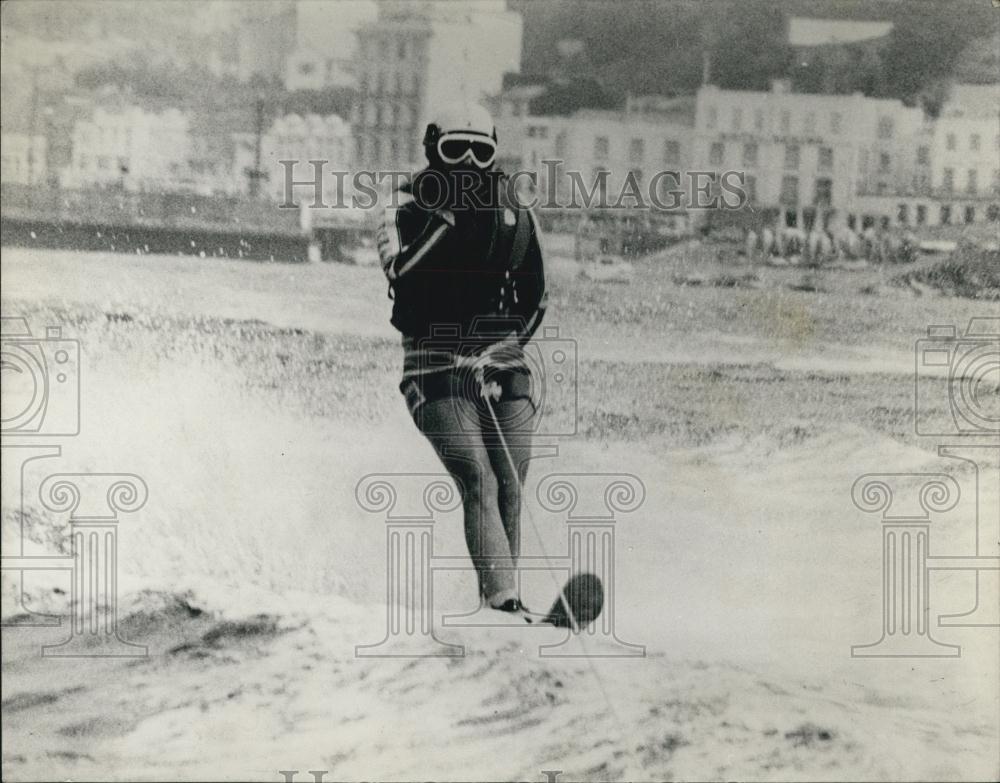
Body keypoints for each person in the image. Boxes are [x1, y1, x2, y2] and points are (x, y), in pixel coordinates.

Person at [376, 103, 547, 621]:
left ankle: (504, 603)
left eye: (481, 151)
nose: (470, 164)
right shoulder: (402, 208)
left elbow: (535, 297)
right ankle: (502, 600)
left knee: (512, 482)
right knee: (479, 479)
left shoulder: (514, 210)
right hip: (433, 368)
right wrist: (448, 221)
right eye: (456, 151)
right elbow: (402, 276)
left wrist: (502, 346)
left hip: (500, 364)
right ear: (434, 150)